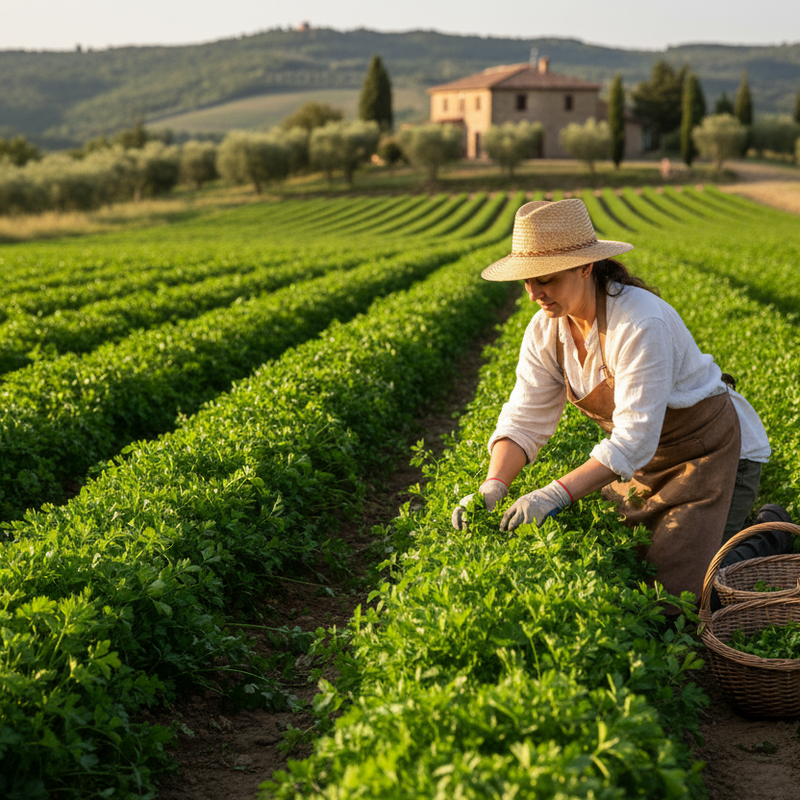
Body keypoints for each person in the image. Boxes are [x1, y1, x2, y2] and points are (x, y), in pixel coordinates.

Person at [451, 198, 793, 603]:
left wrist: (553, 494)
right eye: (527, 281)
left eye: (546, 279)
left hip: (712, 455)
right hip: (646, 461)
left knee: (680, 598)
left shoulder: (639, 322)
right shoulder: (546, 331)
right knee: (626, 564)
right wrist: (494, 485)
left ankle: (772, 532)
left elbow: (633, 439)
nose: (533, 294)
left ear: (584, 266)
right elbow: (525, 417)